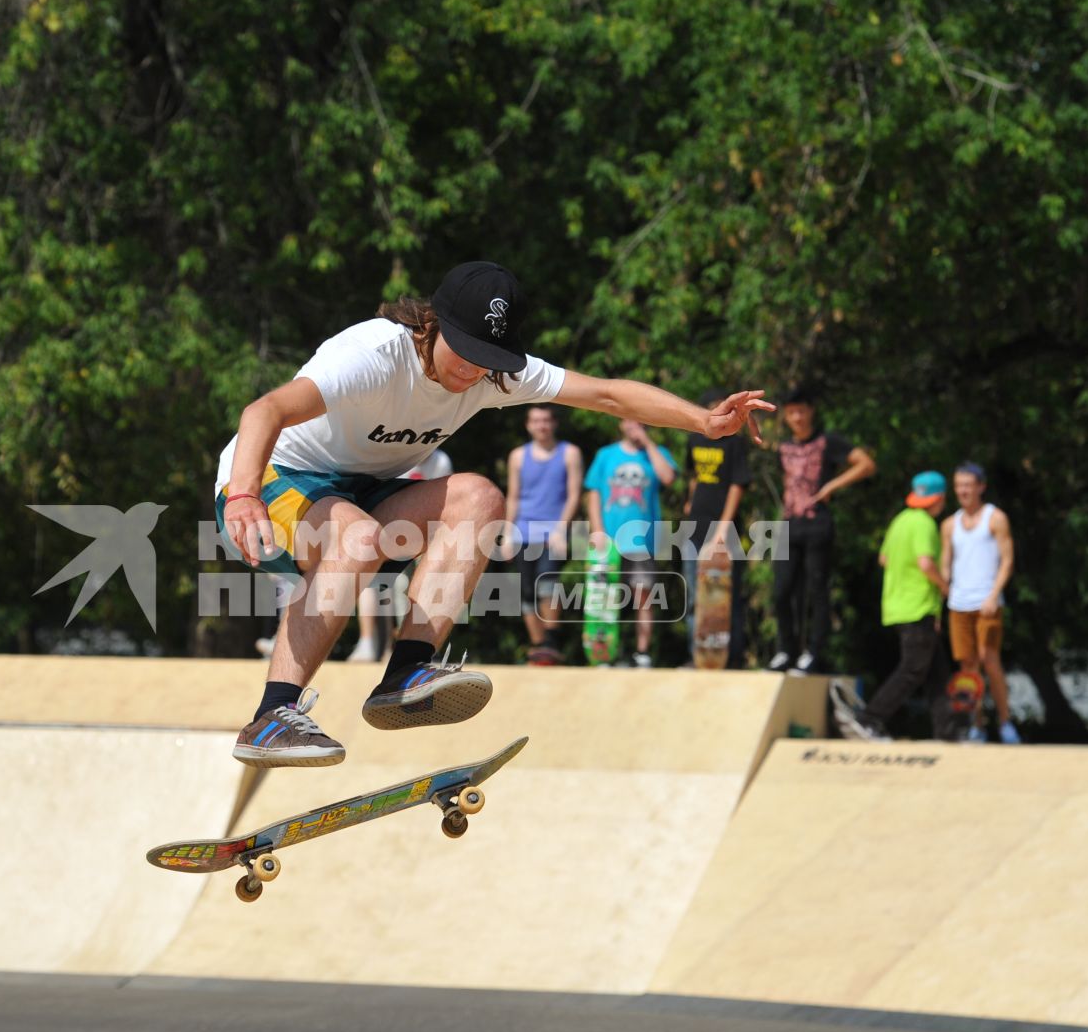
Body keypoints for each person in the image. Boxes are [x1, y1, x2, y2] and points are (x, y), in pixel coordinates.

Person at [217, 260, 769, 766]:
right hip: (271, 480)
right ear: (434, 326)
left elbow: (607, 396)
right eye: (464, 353)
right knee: (358, 538)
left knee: (480, 499)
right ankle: (271, 716)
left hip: (365, 494)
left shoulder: (495, 375)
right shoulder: (374, 356)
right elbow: (264, 410)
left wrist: (703, 421)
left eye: (488, 361)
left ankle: (404, 672)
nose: (472, 372)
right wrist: (242, 493)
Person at [832, 472, 950, 742]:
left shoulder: (901, 521)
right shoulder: (924, 523)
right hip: (917, 606)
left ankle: (948, 733)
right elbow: (926, 564)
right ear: (940, 498)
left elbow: (884, 558)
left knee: (937, 673)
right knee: (913, 670)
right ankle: (869, 719)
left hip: (898, 604)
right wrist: (945, 587)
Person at [767, 388, 875, 675]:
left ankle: (813, 652)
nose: (797, 417)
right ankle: (785, 650)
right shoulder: (783, 447)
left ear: (811, 411)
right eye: (791, 412)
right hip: (788, 523)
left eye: (801, 411)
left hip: (817, 523)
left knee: (816, 590)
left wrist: (831, 486)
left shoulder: (828, 442)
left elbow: (866, 463)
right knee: (781, 591)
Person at [584, 420, 678, 667]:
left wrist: (648, 444)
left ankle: (642, 653)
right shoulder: (606, 455)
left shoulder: (658, 453)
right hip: (609, 540)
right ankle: (604, 653)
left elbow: (668, 477)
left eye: (639, 421)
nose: (634, 425)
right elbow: (593, 493)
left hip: (641, 539)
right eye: (630, 420)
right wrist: (597, 530)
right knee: (604, 598)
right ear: (621, 423)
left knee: (643, 595)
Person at [347, 448, 453, 663]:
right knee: (375, 587)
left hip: (423, 533)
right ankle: (370, 643)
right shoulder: (398, 456)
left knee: (410, 589)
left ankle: (409, 647)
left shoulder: (440, 460)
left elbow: (445, 505)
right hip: (387, 529)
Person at [941, 461, 1020, 743]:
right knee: (968, 668)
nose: (962, 490)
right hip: (959, 603)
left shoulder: (995, 518)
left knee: (989, 659)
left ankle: (1005, 721)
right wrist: (942, 588)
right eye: (958, 485)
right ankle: (976, 725)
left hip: (987, 600)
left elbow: (1007, 560)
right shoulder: (950, 524)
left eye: (967, 485)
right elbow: (946, 563)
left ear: (980, 487)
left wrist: (993, 593)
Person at [503, 405, 581, 664]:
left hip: (553, 532)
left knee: (548, 585)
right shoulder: (517, 456)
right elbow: (513, 497)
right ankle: (538, 647)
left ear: (554, 423)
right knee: (526, 592)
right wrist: (506, 533)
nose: (542, 425)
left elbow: (573, 495)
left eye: (546, 420)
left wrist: (561, 529)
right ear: (528, 425)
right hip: (523, 531)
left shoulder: (569, 453)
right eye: (536, 421)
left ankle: (550, 638)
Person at [683, 387, 753, 668]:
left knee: (725, 597)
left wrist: (724, 529)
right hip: (694, 525)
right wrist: (689, 503)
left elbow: (738, 485)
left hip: (724, 527)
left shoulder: (733, 443)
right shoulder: (694, 437)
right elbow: (694, 475)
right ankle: (697, 656)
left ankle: (732, 658)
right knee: (694, 595)